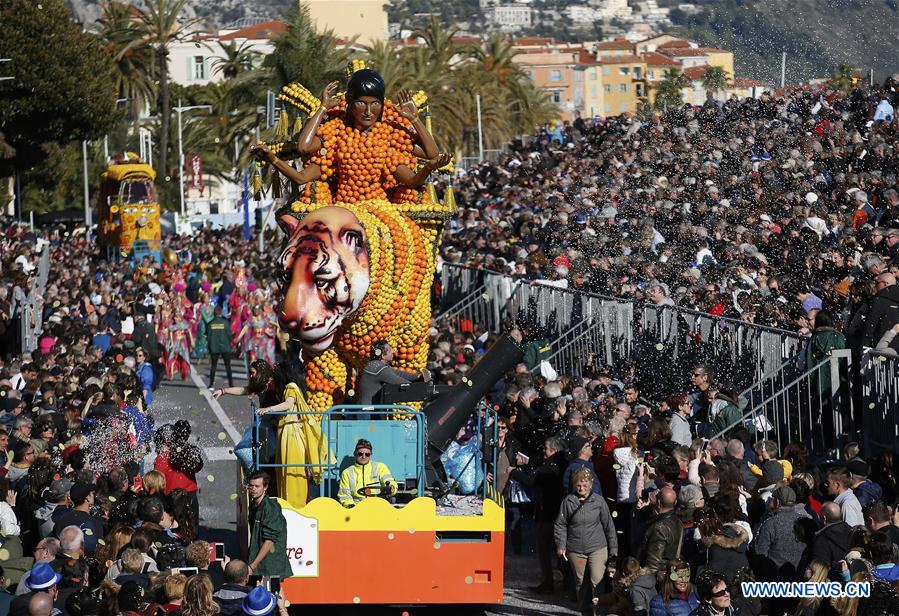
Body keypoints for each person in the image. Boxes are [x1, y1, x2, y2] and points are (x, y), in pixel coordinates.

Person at [554, 467, 617, 614]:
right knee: (580, 583)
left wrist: (613, 550)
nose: (581, 488)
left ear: (591, 484)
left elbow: (609, 527)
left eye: (585, 485)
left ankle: (598, 612)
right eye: (578, 485)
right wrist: (561, 545)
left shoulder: (599, 501)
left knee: (597, 581)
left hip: (597, 547)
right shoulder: (568, 501)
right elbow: (560, 524)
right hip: (576, 549)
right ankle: (584, 611)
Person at [355, 340, 429, 414]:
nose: (393, 352)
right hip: (369, 412)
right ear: (383, 356)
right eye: (390, 351)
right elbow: (399, 381)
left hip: (369, 409)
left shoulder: (375, 364)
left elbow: (398, 373)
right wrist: (420, 388)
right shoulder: (380, 369)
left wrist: (418, 376)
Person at [245, 471, 293, 579]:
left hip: (270, 562)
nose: (253, 489)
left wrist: (253, 566)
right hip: (258, 561)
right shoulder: (254, 506)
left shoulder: (271, 508)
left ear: (265, 487)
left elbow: (269, 540)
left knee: (274, 591)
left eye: (257, 486)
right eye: (251, 485)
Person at [337, 439, 397, 507]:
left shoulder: (380, 467)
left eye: (367, 454)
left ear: (371, 455)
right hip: (357, 508)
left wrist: (392, 488)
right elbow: (344, 495)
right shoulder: (347, 473)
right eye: (360, 454)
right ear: (354, 454)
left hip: (378, 506)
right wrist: (351, 507)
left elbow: (389, 481)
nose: (363, 456)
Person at [639, 487, 682, 572]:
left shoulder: (659, 528)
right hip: (672, 571)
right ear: (675, 502)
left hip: (659, 577)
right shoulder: (678, 521)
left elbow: (653, 565)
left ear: (658, 502)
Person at [207, 305, 235, 388]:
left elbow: (208, 336)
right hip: (225, 347)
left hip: (214, 347)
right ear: (221, 313)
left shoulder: (210, 323)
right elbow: (229, 335)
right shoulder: (225, 322)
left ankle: (211, 384)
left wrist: (210, 347)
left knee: (213, 366)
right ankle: (231, 384)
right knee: (228, 366)